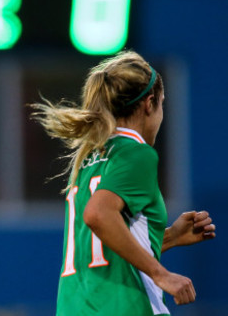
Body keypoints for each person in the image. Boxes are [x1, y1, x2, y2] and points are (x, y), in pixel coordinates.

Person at [31, 50, 216, 315]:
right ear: (149, 103)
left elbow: (100, 251)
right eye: (163, 103)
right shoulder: (135, 153)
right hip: (123, 307)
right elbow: (98, 214)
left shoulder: (88, 158)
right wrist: (161, 273)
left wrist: (169, 237)